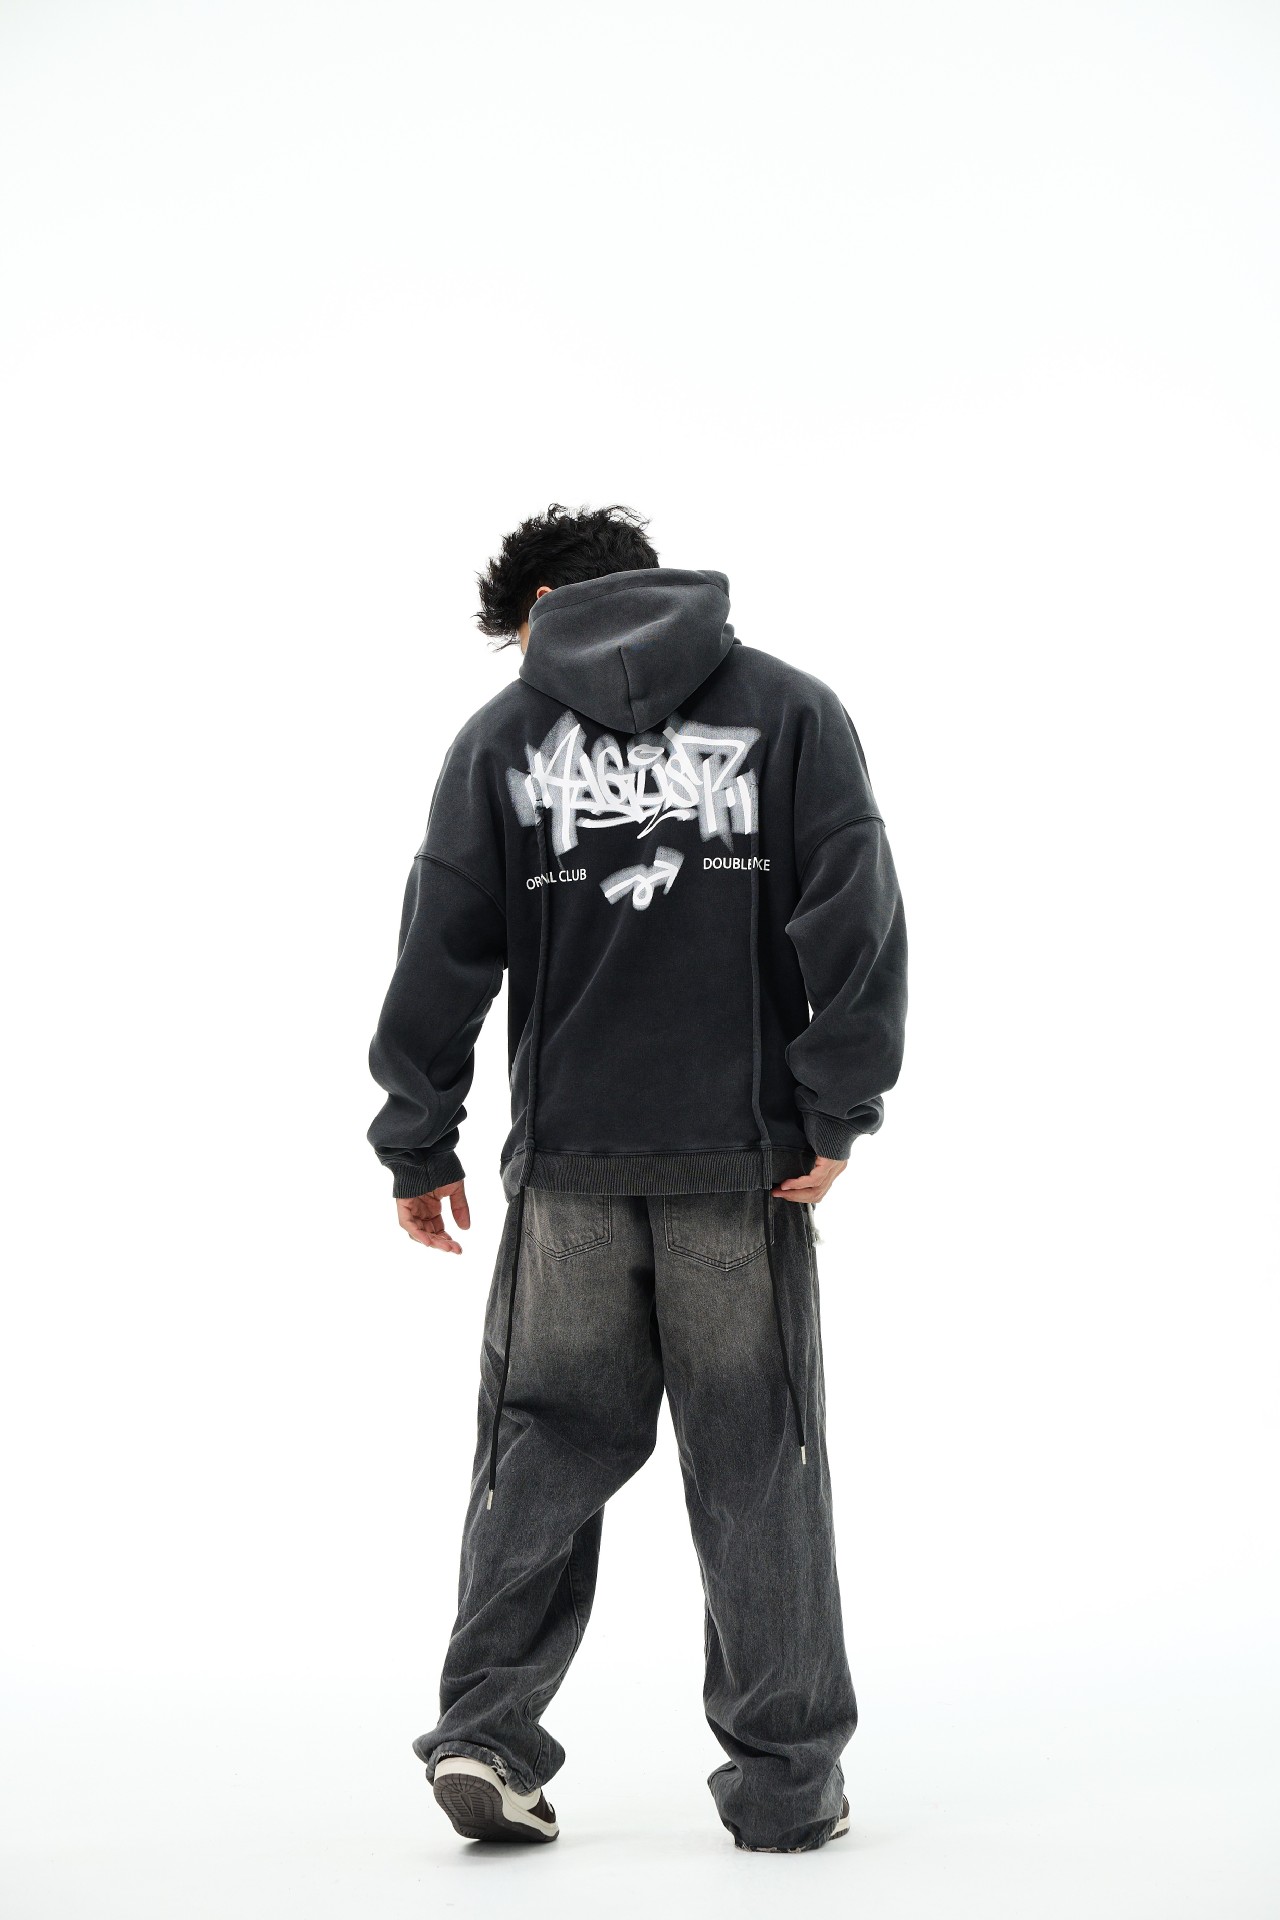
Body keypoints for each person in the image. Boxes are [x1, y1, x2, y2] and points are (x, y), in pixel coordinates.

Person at [367, 502, 908, 1853]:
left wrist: (419, 1133)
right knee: (760, 1462)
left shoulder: (501, 739)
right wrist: (836, 1107)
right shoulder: (793, 712)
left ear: (546, 607)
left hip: (570, 1175)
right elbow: (853, 913)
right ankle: (787, 1789)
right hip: (744, 1166)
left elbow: (442, 944)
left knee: (540, 1447)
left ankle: (488, 1734)